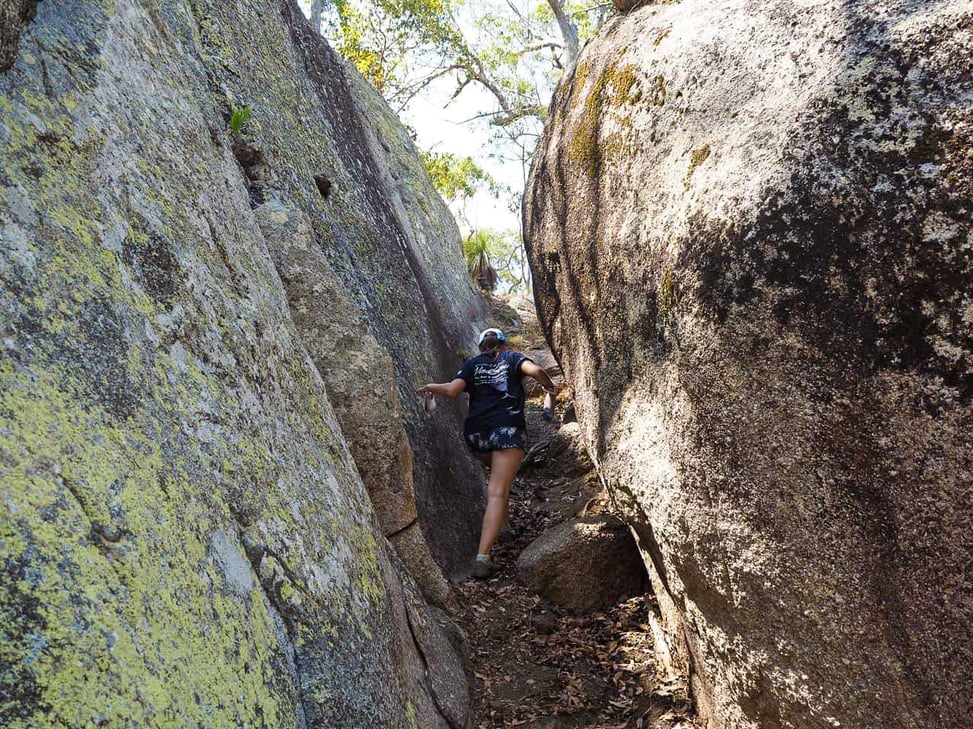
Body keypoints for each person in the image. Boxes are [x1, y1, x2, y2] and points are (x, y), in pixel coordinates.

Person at [417, 327, 557, 579]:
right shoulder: (512, 358)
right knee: (497, 491)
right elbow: (536, 371)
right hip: (506, 430)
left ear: (482, 347)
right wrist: (550, 387)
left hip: (476, 435)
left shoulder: (472, 365)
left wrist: (430, 387)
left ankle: (503, 527)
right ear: (502, 344)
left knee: (498, 482)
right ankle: (483, 558)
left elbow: (450, 390)